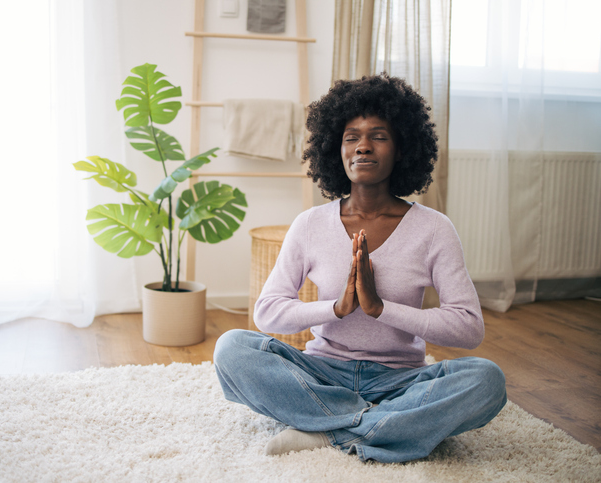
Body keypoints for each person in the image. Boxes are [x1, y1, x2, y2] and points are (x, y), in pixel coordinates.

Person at [213, 73, 507, 464]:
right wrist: (336, 308)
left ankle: (326, 428)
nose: (363, 146)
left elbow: (468, 327)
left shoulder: (435, 228)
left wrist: (381, 308)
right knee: (231, 348)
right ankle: (376, 429)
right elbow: (267, 311)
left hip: (400, 381)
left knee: (486, 381)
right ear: (336, 149)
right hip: (322, 373)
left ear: (402, 148)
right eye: (351, 137)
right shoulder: (310, 224)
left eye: (379, 136)